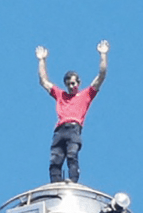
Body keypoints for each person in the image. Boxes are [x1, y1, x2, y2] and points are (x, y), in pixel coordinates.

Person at [36, 40, 109, 183]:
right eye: (69, 84)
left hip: (74, 128)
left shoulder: (86, 95)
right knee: (55, 160)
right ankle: (55, 184)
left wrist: (103, 54)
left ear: (79, 83)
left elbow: (101, 75)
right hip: (60, 130)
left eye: (74, 83)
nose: (71, 86)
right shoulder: (60, 95)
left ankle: (73, 180)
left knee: (72, 155)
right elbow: (43, 81)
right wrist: (41, 60)